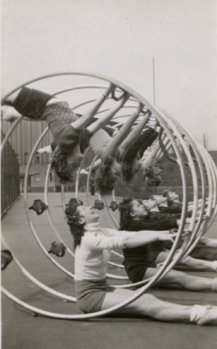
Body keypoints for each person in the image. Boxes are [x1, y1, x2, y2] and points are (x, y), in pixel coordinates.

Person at [64, 198, 217, 325]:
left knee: (147, 298)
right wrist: (158, 236)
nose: (90, 206)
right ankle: (198, 314)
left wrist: (164, 234)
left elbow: (134, 234)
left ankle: (199, 310)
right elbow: (126, 242)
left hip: (102, 287)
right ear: (81, 219)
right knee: (145, 304)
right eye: (84, 208)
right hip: (90, 295)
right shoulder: (89, 239)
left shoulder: (101, 231)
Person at [1, 84, 128, 182]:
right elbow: (100, 123)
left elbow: (88, 117)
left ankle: (10, 112)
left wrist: (106, 92)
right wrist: (121, 103)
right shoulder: (81, 141)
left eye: (73, 166)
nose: (78, 166)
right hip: (42, 110)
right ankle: (11, 113)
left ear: (66, 160)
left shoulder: (66, 140)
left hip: (37, 103)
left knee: (7, 92)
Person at [119, 198, 217, 287]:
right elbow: (157, 225)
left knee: (181, 271)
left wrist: (171, 232)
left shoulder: (139, 223)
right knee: (181, 274)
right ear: (132, 214)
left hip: (148, 263)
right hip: (140, 269)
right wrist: (182, 223)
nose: (142, 206)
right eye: (138, 206)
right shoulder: (134, 226)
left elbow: (155, 228)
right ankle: (213, 280)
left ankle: (212, 277)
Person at [90, 105, 162, 194]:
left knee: (117, 134)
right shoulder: (118, 157)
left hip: (89, 127)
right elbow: (131, 138)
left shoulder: (108, 155)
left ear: (109, 171)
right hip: (100, 130)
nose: (121, 172)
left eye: (116, 174)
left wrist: (137, 111)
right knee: (121, 137)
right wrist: (145, 119)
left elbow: (123, 133)